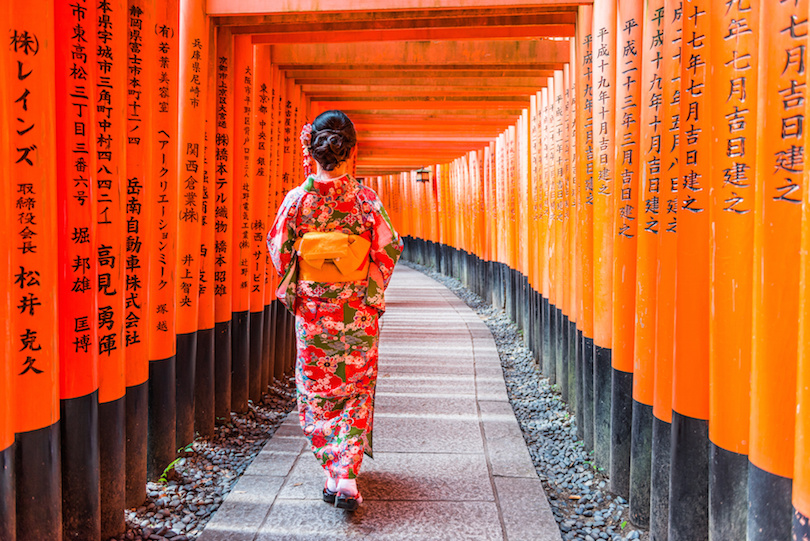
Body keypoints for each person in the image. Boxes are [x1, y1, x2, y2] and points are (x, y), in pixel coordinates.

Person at [267, 110, 402, 511]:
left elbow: (279, 250)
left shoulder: (298, 200)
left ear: (310, 149)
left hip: (314, 312)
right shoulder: (365, 199)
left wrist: (307, 280)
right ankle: (347, 475)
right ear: (352, 150)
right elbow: (388, 248)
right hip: (356, 311)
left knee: (317, 389)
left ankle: (333, 471)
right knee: (355, 389)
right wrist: (367, 289)